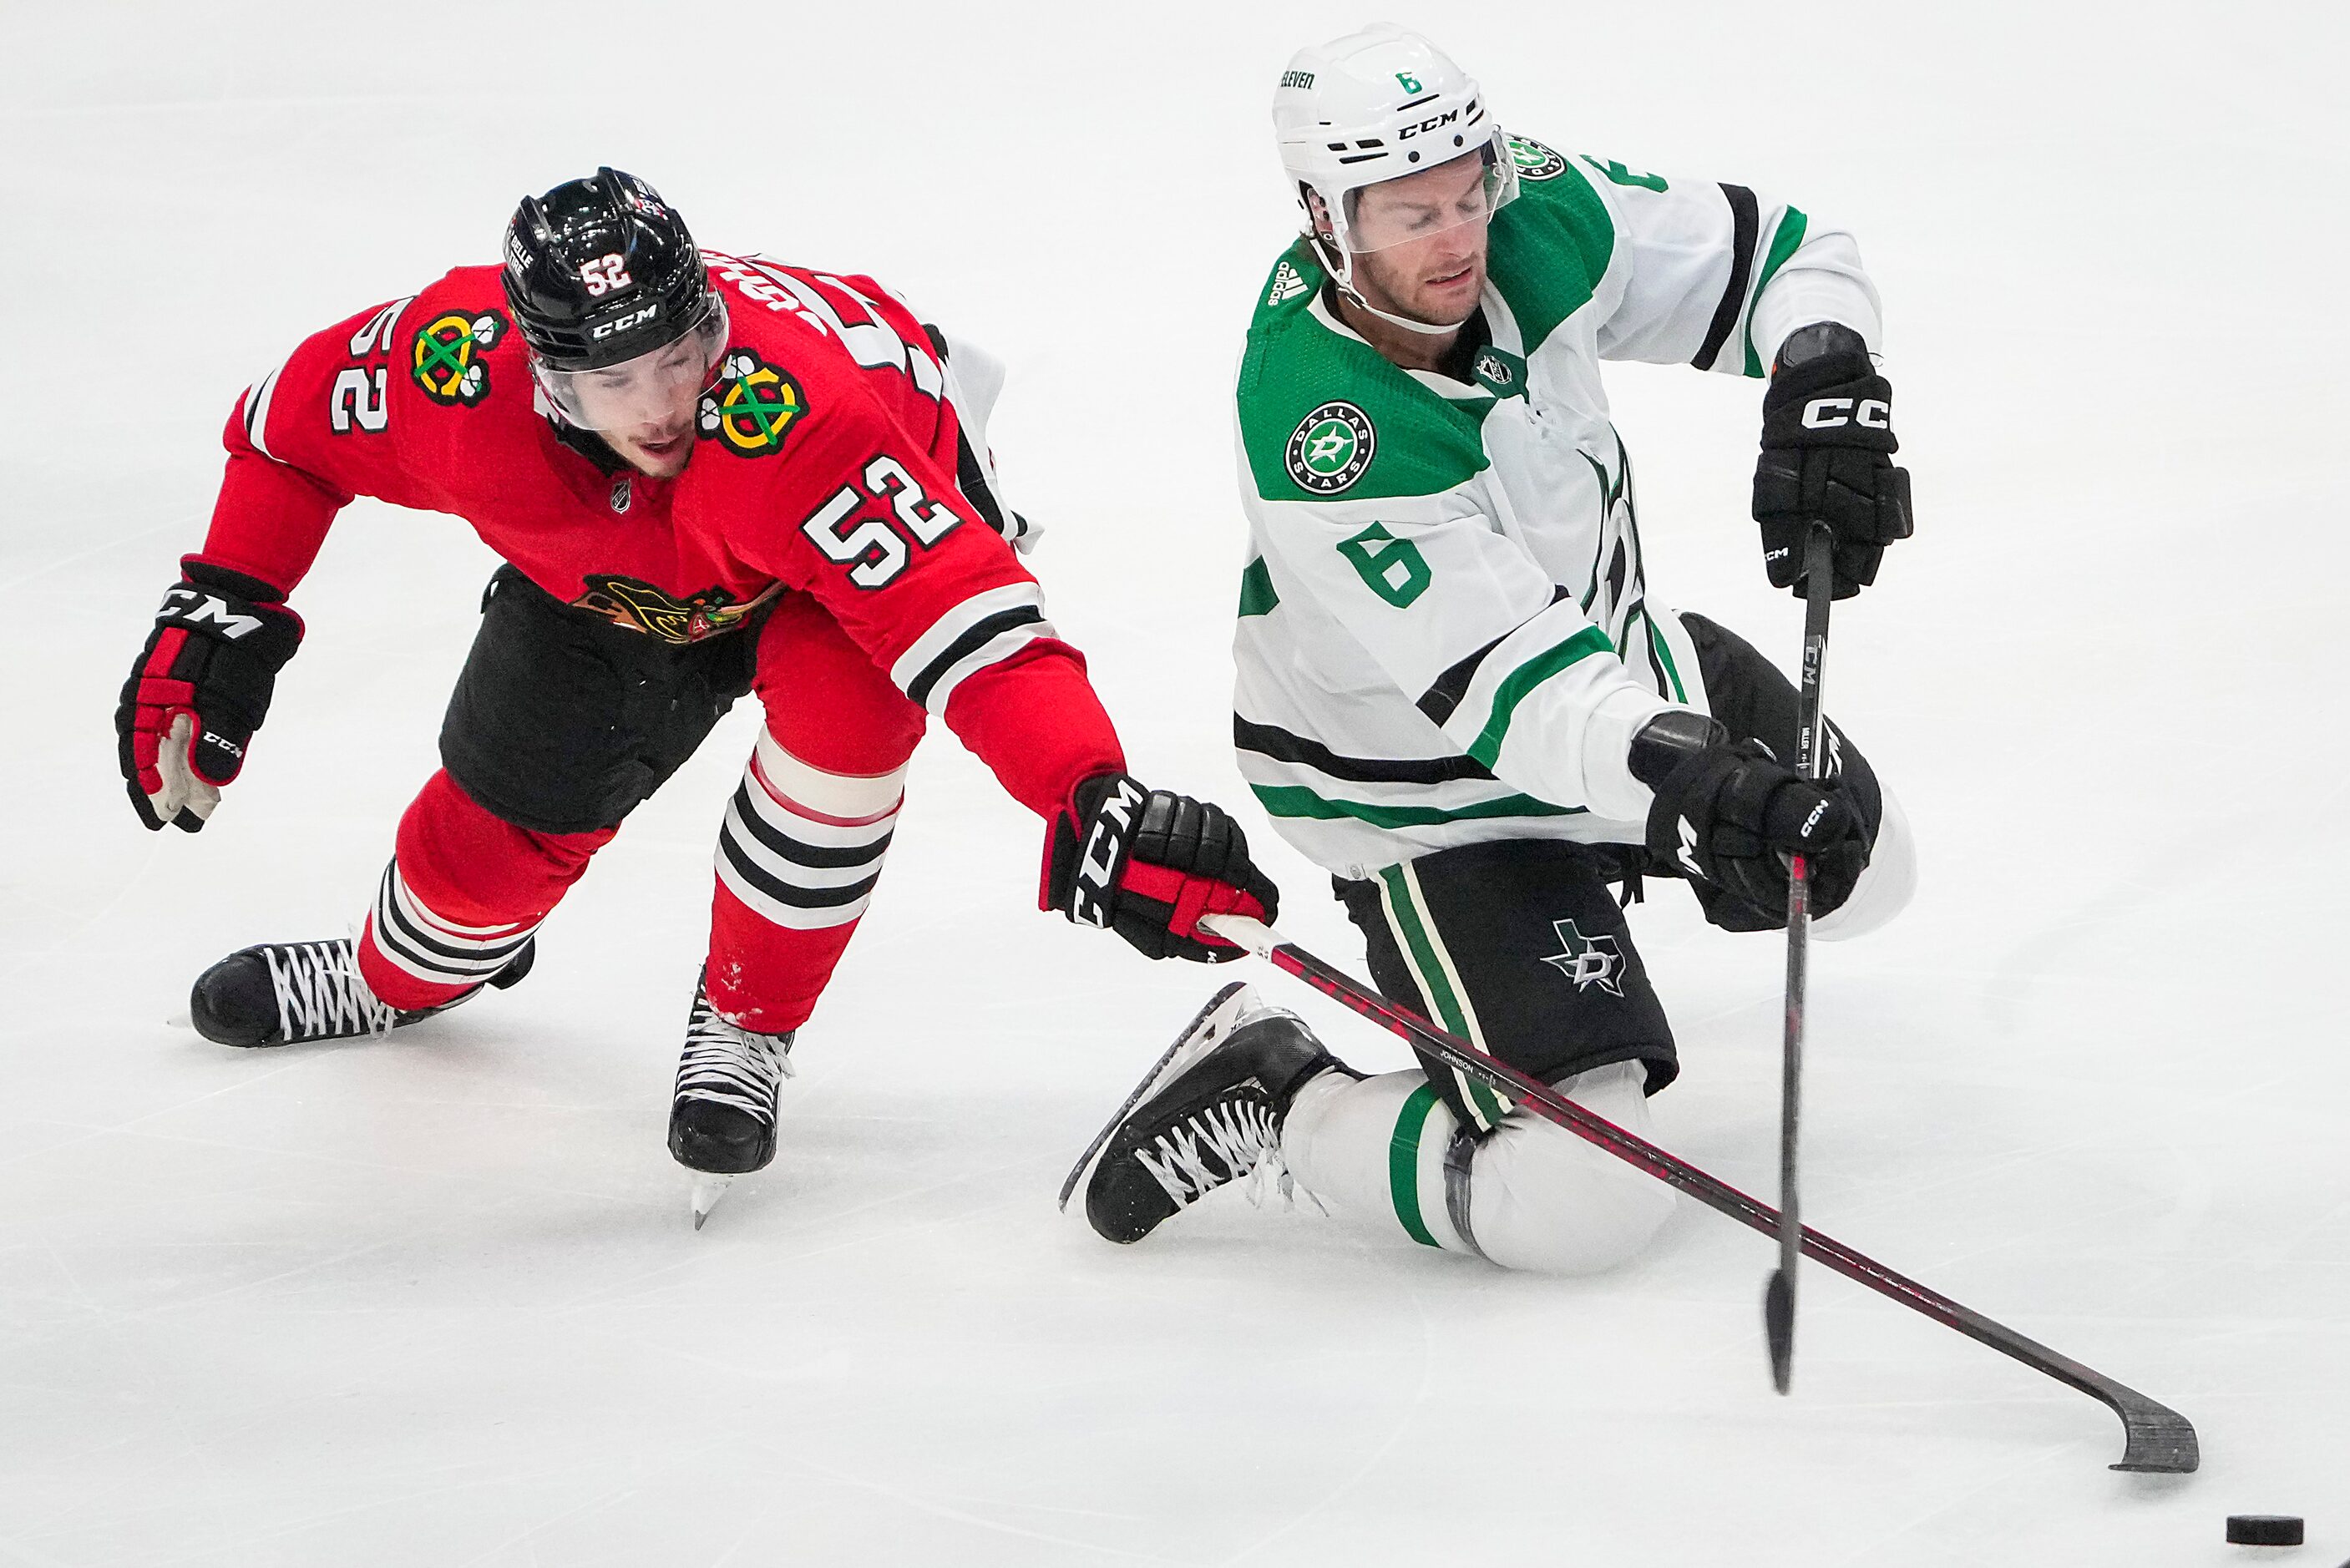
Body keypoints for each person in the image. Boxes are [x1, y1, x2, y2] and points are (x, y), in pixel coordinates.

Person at [117, 168, 1276, 1213]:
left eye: (680, 353)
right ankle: (398, 972)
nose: (664, 403)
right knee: (493, 835)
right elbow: (285, 432)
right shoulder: (449, 370)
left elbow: (975, 633)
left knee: (851, 728)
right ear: (542, 373)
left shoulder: (801, 417)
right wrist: (222, 602)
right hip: (617, 575)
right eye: (616, 376)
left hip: (821, 544)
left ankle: (745, 1020)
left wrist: (1090, 793)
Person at [1070, 27, 1917, 1274]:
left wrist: (1821, 377)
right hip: (1435, 794)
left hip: (1628, 682)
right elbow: (1517, 698)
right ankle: (1284, 1097)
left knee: (1864, 872)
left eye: (1468, 193)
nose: (1459, 237)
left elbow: (1781, 255)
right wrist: (1699, 791)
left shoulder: (1525, 210)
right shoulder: (1329, 432)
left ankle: (1675, 795)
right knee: (1587, 1202)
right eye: (1412, 213)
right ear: (1324, 212)